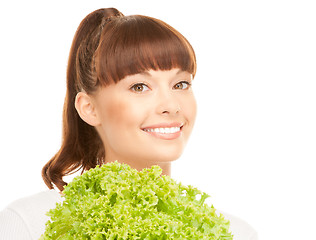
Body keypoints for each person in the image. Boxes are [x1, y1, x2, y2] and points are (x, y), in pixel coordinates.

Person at [0, 8, 257, 239]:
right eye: (139, 86)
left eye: (181, 84)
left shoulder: (233, 233)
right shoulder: (31, 223)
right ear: (89, 109)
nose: (171, 104)